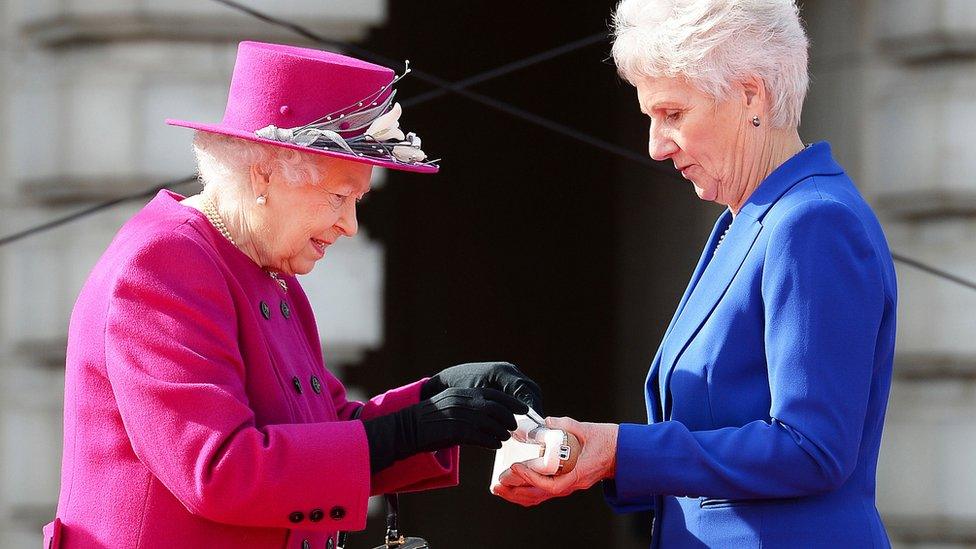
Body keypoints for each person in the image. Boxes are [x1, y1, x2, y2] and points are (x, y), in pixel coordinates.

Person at [44, 41, 542, 549]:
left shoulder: (264, 268)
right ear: (264, 173)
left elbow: (318, 430)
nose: (349, 225)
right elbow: (218, 467)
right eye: (339, 197)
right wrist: (408, 430)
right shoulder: (163, 264)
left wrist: (434, 400)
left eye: (358, 200)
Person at [494, 1, 897, 547]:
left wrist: (622, 450)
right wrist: (591, 455)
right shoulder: (747, 221)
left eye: (673, 114)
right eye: (650, 119)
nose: (656, 147)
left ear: (750, 95)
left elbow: (812, 449)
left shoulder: (813, 221)